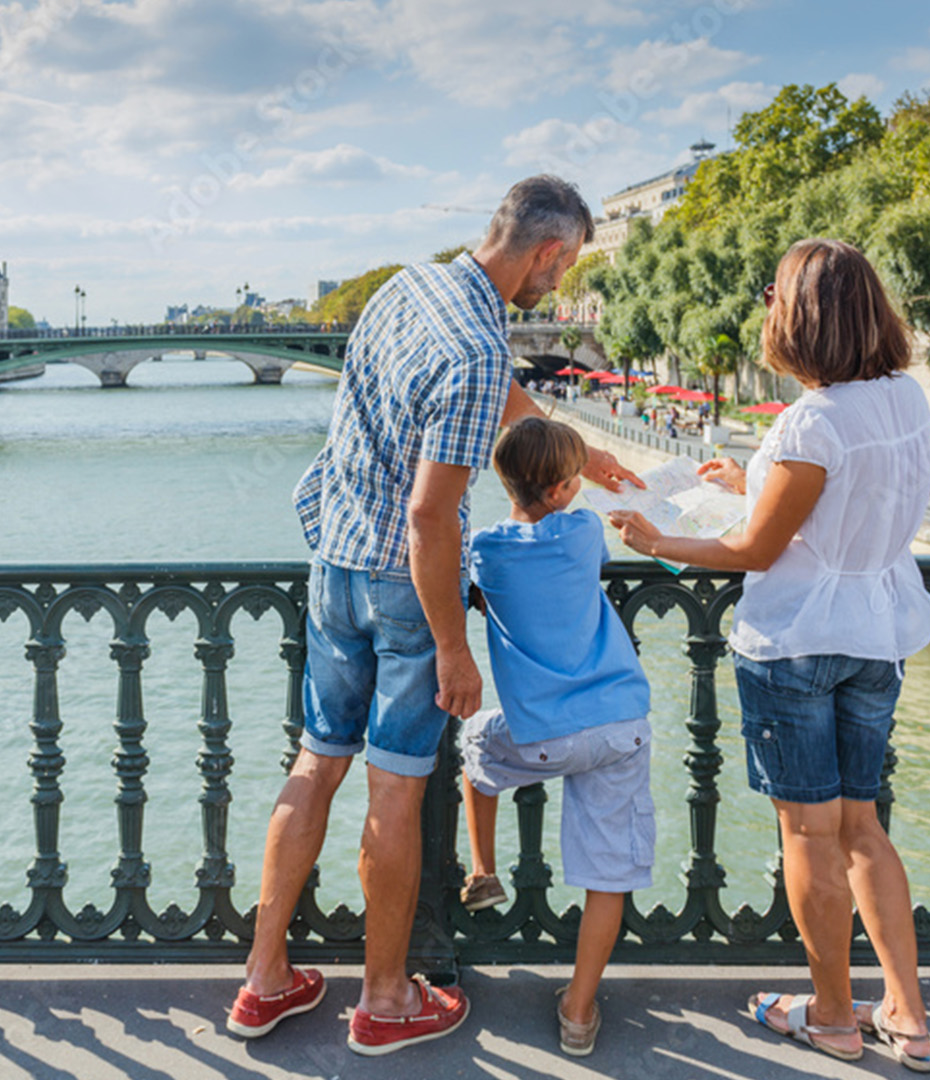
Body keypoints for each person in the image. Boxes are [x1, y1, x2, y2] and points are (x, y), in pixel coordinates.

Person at [229, 175, 640, 1057]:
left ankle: (264, 978)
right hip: (400, 586)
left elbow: (491, 404)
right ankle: (386, 999)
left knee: (315, 762)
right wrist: (455, 648)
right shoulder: (480, 353)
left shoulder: (405, 286)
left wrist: (582, 450)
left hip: (332, 559)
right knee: (395, 786)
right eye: (562, 270)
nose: (558, 287)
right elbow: (427, 518)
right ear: (546, 253)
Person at [609, 239, 930, 1071]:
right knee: (864, 828)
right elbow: (833, 507)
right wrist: (747, 481)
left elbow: (758, 552)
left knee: (808, 835)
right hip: (876, 634)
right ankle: (907, 1014)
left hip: (796, 644)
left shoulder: (811, 421)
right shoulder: (904, 400)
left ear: (798, 315)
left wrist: (661, 541)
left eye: (771, 296)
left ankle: (829, 1015)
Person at [460, 417, 654, 1057]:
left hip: (543, 735)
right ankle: (577, 1011)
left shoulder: (486, 549)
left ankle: (484, 869)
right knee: (606, 874)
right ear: (567, 488)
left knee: (477, 744)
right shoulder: (582, 530)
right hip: (619, 725)